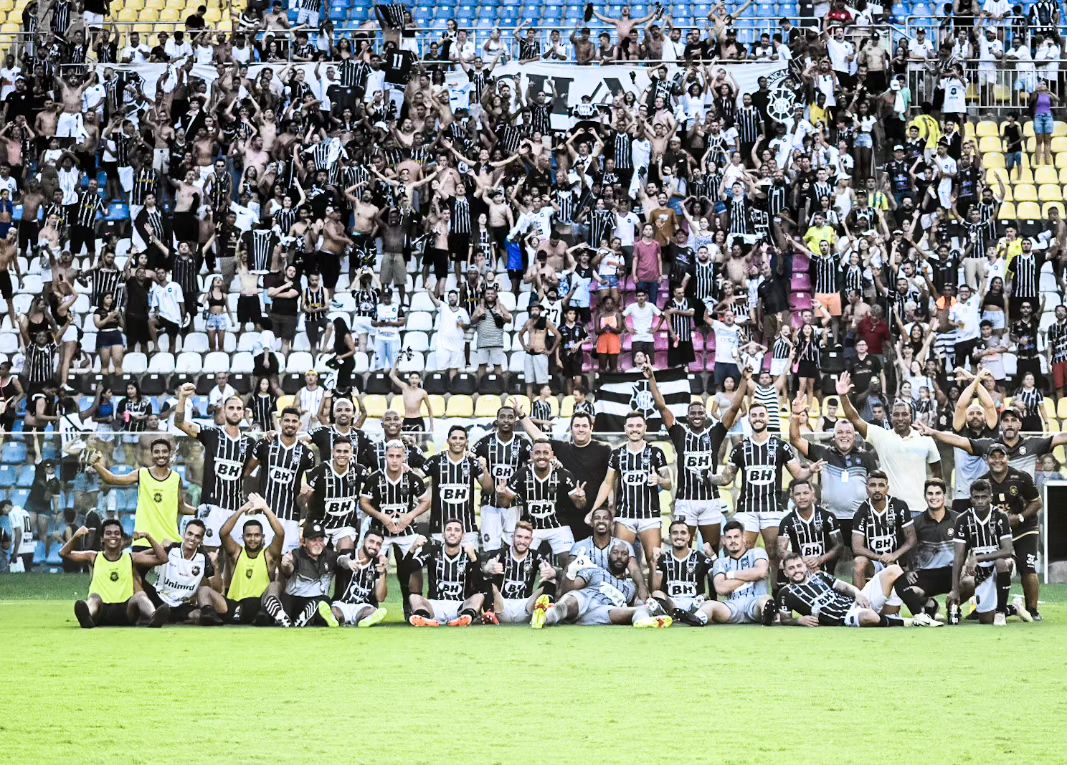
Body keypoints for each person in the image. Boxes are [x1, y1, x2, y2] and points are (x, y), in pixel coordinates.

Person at [713, 402, 824, 583]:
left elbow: (798, 473)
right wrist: (709, 477)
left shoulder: (781, 446)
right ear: (749, 419)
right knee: (744, 551)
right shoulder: (740, 447)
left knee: (774, 552)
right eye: (754, 415)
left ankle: (775, 591)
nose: (758, 418)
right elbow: (726, 478)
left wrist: (810, 470)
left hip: (772, 507)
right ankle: (747, 593)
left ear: (768, 418)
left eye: (761, 415)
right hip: (747, 508)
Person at [647, 364, 746, 551]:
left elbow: (733, 408)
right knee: (684, 550)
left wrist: (744, 380)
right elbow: (661, 406)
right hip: (685, 501)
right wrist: (651, 377)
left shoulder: (714, 433)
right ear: (687, 416)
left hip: (710, 500)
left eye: (700, 412)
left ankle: (711, 579)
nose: (697, 415)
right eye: (693, 413)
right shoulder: (679, 433)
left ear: (706, 415)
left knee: (712, 550)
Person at [836, 371, 942, 515]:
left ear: (911, 417)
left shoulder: (926, 439)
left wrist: (935, 502)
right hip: (890, 510)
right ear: (890, 416)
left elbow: (937, 473)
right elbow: (855, 419)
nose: (900, 418)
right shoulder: (881, 436)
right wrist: (843, 396)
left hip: (920, 509)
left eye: (904, 414)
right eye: (896, 414)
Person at [174, 383, 254, 549]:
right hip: (211, 507)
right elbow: (180, 423)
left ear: (243, 412)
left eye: (239, 408)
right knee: (211, 556)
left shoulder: (250, 442)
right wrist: (182, 398)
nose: (235, 411)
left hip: (236, 508)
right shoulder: (211, 434)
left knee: (237, 557)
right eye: (231, 408)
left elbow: (249, 470)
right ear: (224, 411)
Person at [514, 405, 611, 542]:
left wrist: (604, 508)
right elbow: (538, 436)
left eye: (584, 426)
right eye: (577, 426)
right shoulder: (562, 448)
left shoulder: (604, 449)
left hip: (594, 515)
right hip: (565, 516)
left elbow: (610, 481)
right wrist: (522, 416)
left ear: (591, 428)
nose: (581, 429)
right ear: (571, 429)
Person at [589, 411, 672, 565]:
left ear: (645, 428)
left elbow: (669, 484)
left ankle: (654, 591)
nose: (635, 429)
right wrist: (593, 510)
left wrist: (660, 479)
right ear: (625, 428)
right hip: (625, 517)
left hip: (650, 517)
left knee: (655, 562)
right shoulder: (616, 454)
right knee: (619, 561)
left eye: (639, 425)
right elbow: (607, 483)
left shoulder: (656, 453)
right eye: (631, 426)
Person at [530, 538, 671, 629]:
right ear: (609, 555)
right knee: (568, 601)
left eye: (624, 554)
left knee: (639, 610)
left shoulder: (630, 587)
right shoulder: (595, 571)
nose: (619, 557)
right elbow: (568, 589)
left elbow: (641, 600)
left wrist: (647, 604)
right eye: (615, 552)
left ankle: (643, 621)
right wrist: (572, 572)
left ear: (629, 560)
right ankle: (544, 617)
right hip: (584, 600)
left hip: (604, 611)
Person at [360, 439, 431, 618]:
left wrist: (410, 516)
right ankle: (369, 605)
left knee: (416, 563)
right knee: (370, 565)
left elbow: (426, 501)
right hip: (380, 532)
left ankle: (413, 604)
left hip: (405, 531)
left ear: (404, 458)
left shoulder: (412, 478)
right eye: (390, 456)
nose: (394, 460)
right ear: (385, 457)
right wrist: (381, 516)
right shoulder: (374, 478)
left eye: (398, 456)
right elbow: (363, 502)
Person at [776, 552, 939, 627]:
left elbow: (844, 586)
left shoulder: (819, 576)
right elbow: (784, 619)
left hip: (856, 602)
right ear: (785, 572)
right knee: (870, 617)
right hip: (845, 617)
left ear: (805, 566)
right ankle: (910, 622)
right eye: (791, 568)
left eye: (799, 566)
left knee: (894, 570)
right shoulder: (785, 593)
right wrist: (798, 620)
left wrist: (859, 594)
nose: (796, 570)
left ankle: (920, 615)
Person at [60, 520, 169, 628]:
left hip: (126, 610)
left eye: (117, 533)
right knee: (94, 597)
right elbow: (64, 553)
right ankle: (87, 617)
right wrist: (76, 536)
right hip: (101, 610)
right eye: (108, 533)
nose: (113, 536)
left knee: (140, 596)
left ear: (121, 538)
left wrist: (148, 537)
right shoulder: (94, 556)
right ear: (102, 538)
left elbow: (163, 559)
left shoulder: (131, 557)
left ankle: (154, 617)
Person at [200, 493, 287, 626]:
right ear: (243, 537)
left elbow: (280, 533)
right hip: (233, 606)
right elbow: (223, 533)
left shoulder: (269, 555)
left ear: (263, 537)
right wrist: (241, 510)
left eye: (257, 535)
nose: (253, 539)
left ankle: (267, 613)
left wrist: (265, 508)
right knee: (203, 590)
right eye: (249, 535)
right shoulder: (237, 553)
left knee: (275, 585)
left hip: (259, 608)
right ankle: (209, 616)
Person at [978, 442, 1042, 620]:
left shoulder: (1021, 477)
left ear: (1008, 458)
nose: (997, 460)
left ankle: (1032, 610)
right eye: (993, 456)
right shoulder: (983, 482)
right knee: (987, 568)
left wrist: (1019, 517)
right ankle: (986, 606)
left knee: (1028, 567)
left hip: (1025, 528)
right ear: (987, 459)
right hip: (998, 533)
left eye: (1001, 456)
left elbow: (1037, 503)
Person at [86, 440, 190, 549]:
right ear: (151, 454)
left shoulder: (176, 478)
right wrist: (96, 465)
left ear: (169, 454)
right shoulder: (142, 473)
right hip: (143, 541)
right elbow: (112, 479)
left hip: (170, 541)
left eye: (164, 451)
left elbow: (181, 507)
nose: (161, 455)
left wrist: (200, 510)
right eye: (157, 452)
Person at [499, 439, 585, 566]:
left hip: (558, 525)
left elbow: (580, 505)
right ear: (531, 455)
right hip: (530, 527)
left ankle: (563, 585)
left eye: (545, 452)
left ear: (552, 454)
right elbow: (504, 503)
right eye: (537, 453)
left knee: (570, 561)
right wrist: (500, 494)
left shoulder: (563, 474)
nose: (542, 456)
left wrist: (581, 498)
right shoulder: (521, 475)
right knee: (522, 561)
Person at [243, 407, 317, 552]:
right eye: (287, 420)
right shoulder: (265, 444)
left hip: (291, 517)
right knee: (263, 558)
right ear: (280, 422)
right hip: (265, 514)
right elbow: (247, 473)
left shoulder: (307, 454)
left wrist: (305, 497)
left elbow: (308, 488)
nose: (290, 424)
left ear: (299, 425)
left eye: (294, 421)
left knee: (287, 563)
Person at [892, 478, 959, 621]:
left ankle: (954, 606)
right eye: (930, 494)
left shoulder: (958, 520)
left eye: (938, 493)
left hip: (952, 571)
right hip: (926, 573)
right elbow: (903, 547)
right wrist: (907, 569)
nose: (934, 497)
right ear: (925, 496)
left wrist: (968, 563)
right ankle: (930, 604)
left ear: (944, 496)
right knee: (908, 591)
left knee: (969, 581)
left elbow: (970, 545)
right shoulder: (916, 522)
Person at [950, 479, 1015, 626]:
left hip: (1002, 563)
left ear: (990, 497)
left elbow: (1007, 551)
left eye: (984, 497)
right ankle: (1013, 608)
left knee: (1001, 562)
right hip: (979, 570)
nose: (980, 501)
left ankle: (1001, 612)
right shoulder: (963, 519)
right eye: (976, 497)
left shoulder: (1001, 516)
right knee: (985, 620)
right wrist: (954, 589)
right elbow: (958, 557)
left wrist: (978, 557)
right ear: (971, 498)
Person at [422, 425, 493, 547]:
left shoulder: (473, 463)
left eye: (461, 438)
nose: (458, 441)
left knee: (470, 563)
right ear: (448, 440)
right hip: (440, 528)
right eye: (454, 438)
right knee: (439, 565)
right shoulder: (435, 461)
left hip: (467, 528)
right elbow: (417, 478)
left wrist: (484, 469)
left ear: (466, 442)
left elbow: (489, 489)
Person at [473, 406, 532, 554]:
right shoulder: (484, 443)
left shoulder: (523, 444)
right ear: (497, 420)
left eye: (510, 417)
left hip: (514, 504)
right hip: (490, 503)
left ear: (515, 421)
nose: (506, 420)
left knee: (514, 548)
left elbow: (534, 465)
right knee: (491, 550)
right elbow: (469, 458)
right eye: (502, 417)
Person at [406, 520, 485, 627]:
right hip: (434, 605)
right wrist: (412, 549)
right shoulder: (432, 551)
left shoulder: (470, 552)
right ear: (443, 534)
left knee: (479, 596)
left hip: (460, 606)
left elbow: (480, 585)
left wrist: (474, 559)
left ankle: (465, 617)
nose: (452, 533)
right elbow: (407, 568)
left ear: (463, 535)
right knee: (414, 597)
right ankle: (423, 617)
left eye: (457, 530)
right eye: (449, 529)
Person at [262, 522, 340, 628]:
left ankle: (303, 618)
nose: (318, 543)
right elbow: (289, 569)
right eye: (313, 540)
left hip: (316, 601)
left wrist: (348, 562)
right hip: (294, 599)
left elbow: (342, 560)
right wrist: (286, 564)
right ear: (303, 542)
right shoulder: (296, 554)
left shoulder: (330, 556)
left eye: (321, 540)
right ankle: (281, 616)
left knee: (323, 601)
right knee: (284, 598)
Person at [142, 519, 220, 624]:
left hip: (180, 604)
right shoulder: (171, 548)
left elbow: (217, 589)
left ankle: (170, 618)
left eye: (197, 536)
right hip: (159, 596)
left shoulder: (204, 558)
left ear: (201, 540)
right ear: (184, 534)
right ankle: (153, 615)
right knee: (145, 598)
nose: (192, 538)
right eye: (190, 534)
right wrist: (158, 548)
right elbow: (137, 558)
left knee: (200, 615)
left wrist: (216, 566)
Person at [482, 520, 559, 624]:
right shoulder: (500, 553)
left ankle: (544, 614)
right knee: (487, 578)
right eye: (519, 536)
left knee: (551, 579)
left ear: (531, 540)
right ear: (513, 537)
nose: (522, 541)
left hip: (526, 607)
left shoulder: (536, 555)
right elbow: (487, 567)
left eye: (526, 538)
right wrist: (489, 568)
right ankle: (489, 613)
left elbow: (546, 566)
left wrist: (550, 572)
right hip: (502, 606)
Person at [850, 470, 917, 590]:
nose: (877, 489)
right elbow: (857, 547)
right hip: (873, 561)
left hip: (896, 559)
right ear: (866, 488)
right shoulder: (861, 512)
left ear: (887, 488)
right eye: (872, 485)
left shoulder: (899, 506)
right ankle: (860, 605)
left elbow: (911, 540)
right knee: (859, 562)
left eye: (881, 485)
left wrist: (893, 555)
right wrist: (880, 558)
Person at [301, 439, 368, 553]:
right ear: (332, 452)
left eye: (346, 451)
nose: (342, 455)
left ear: (351, 453)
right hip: (320, 524)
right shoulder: (319, 471)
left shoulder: (360, 471)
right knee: (318, 560)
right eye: (338, 451)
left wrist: (403, 468)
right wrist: (304, 495)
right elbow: (302, 502)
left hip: (345, 527)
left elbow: (376, 484)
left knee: (346, 556)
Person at [706, 520, 776, 625]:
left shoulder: (757, 552)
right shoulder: (720, 562)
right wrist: (752, 576)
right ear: (724, 540)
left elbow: (761, 572)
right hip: (731, 607)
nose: (732, 540)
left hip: (756, 601)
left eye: (736, 536)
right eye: (729, 537)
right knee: (709, 605)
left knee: (766, 601)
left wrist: (730, 575)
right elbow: (720, 588)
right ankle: (698, 619)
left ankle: (766, 618)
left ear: (743, 538)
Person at [650, 519, 716, 626]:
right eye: (675, 533)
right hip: (671, 602)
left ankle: (681, 615)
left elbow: (717, 581)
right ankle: (677, 614)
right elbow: (655, 587)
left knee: (703, 597)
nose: (679, 536)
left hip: (694, 601)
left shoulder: (701, 557)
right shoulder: (663, 558)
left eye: (683, 533)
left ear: (689, 537)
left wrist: (713, 557)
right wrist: (653, 563)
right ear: (670, 536)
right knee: (656, 594)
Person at [776, 479, 844, 583]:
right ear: (792, 497)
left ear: (813, 495)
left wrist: (820, 559)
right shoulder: (787, 521)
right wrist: (800, 559)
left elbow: (839, 546)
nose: (802, 497)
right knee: (782, 565)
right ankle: (780, 596)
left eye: (805, 493)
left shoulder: (827, 517)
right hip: (800, 569)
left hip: (824, 569)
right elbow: (780, 551)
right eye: (798, 494)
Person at [325, 524, 390, 628]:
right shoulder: (349, 553)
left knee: (371, 611)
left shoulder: (378, 564)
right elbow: (341, 559)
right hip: (341, 604)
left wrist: (383, 574)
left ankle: (366, 620)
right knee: (335, 611)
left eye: (378, 544)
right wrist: (349, 563)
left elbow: (380, 598)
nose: (374, 546)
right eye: (371, 541)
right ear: (364, 541)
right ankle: (334, 619)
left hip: (363, 606)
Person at [388, 356, 434, 434]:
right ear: (409, 379)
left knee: (419, 444)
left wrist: (431, 425)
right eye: (412, 378)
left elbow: (429, 408)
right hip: (407, 419)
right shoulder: (405, 387)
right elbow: (392, 375)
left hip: (418, 420)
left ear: (419, 380)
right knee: (405, 443)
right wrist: (396, 362)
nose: (414, 380)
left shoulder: (422, 392)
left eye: (416, 378)